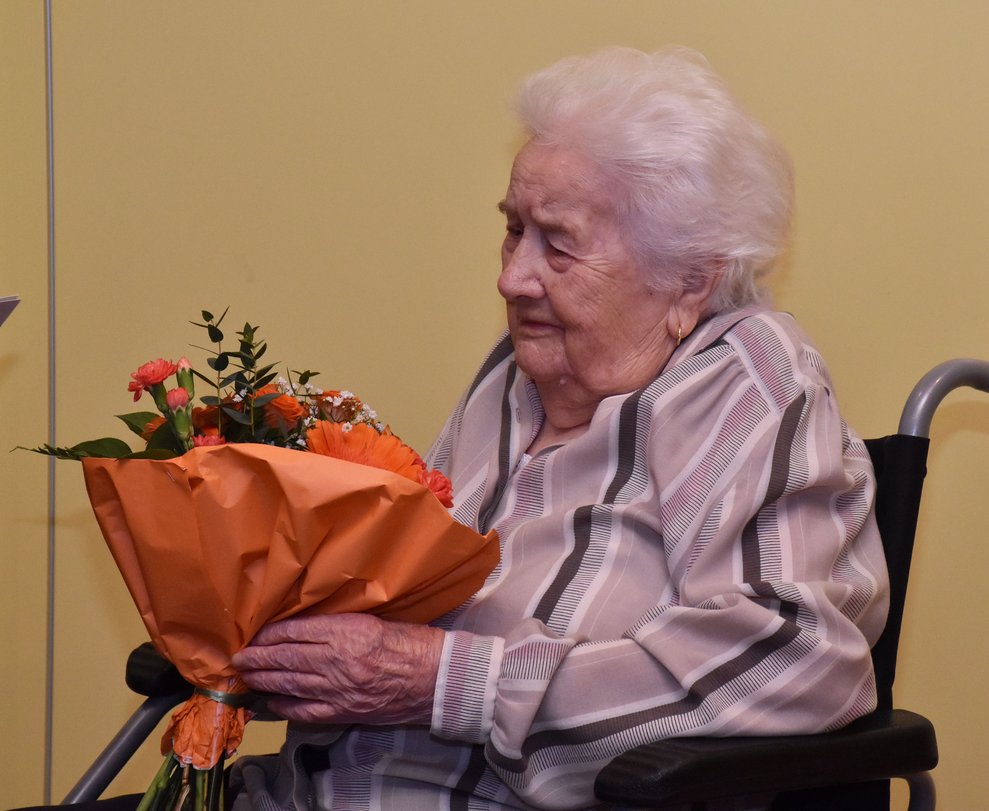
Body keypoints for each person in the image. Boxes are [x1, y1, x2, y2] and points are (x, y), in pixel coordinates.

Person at [226, 45, 889, 811]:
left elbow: (791, 656)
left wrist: (453, 681)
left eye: (558, 242)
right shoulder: (513, 377)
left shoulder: (743, 380)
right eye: (513, 231)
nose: (511, 276)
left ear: (689, 279)